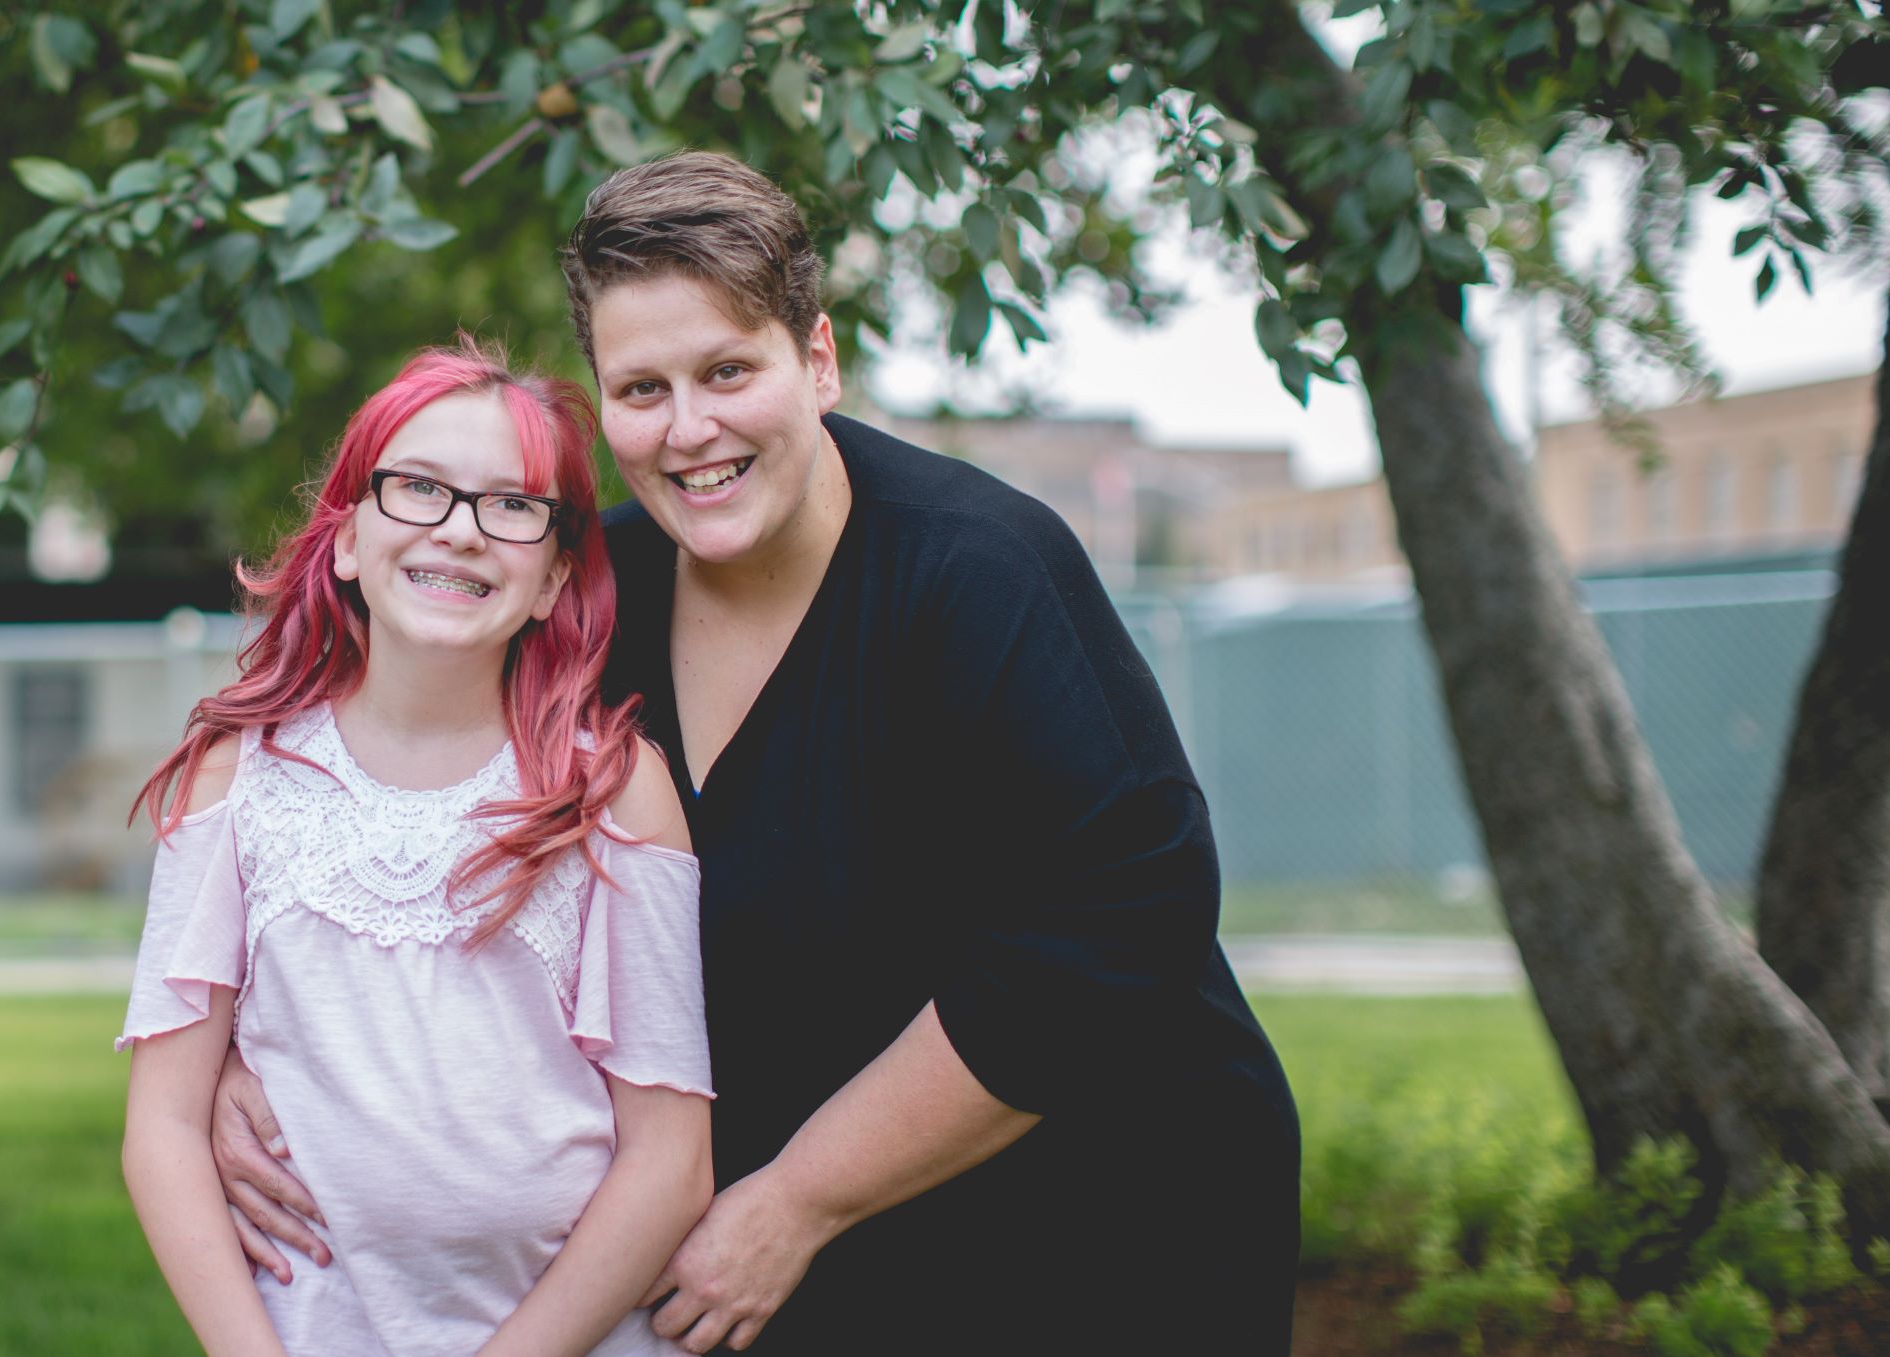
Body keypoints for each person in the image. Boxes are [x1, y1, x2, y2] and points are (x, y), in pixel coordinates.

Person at [211, 153, 1301, 1353]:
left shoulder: (979, 571)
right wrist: (244, 1067)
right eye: (641, 388)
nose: (690, 430)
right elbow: (407, 814)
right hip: (783, 1266)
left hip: (1098, 1237)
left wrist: (797, 1198)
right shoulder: (587, 602)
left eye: (728, 370)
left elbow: (1114, 925)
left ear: (818, 360)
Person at [117, 341, 717, 1357]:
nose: (460, 530)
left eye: (511, 506)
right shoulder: (240, 779)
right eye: (418, 489)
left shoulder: (613, 793)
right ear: (347, 536)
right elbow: (165, 1129)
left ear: (551, 577)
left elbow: (670, 1160)